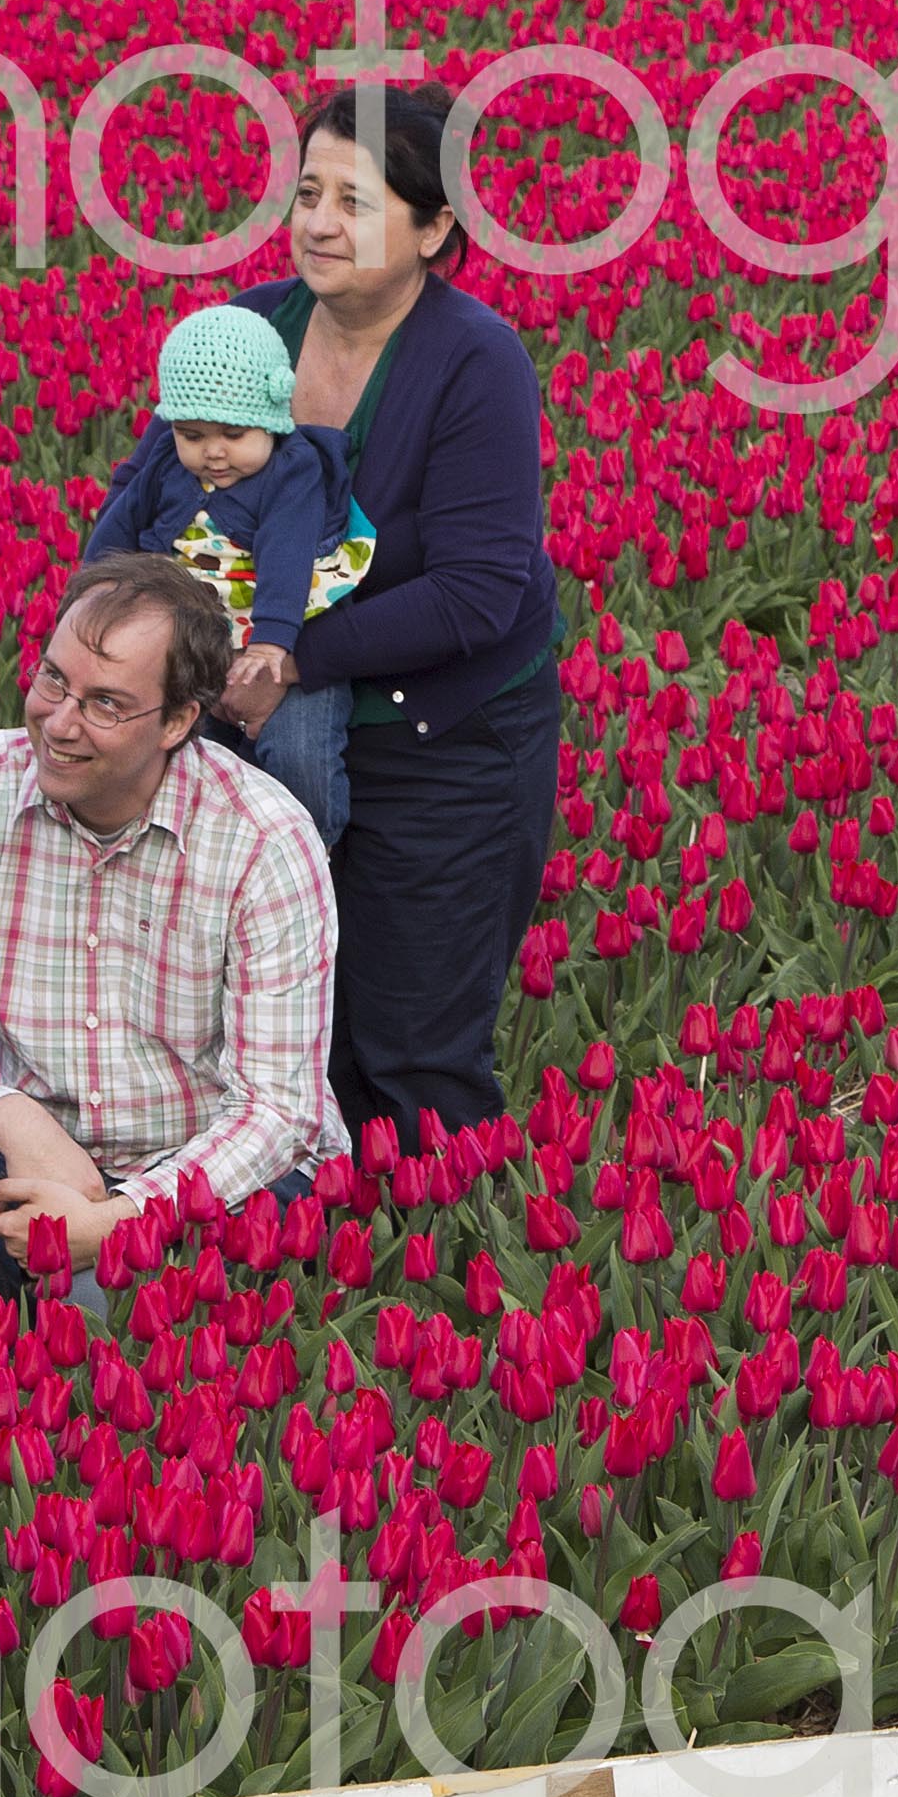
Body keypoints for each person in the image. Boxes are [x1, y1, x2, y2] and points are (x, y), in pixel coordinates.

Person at [0, 554, 348, 1303]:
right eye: (53, 681)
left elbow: (278, 1114)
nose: (59, 723)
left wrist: (117, 1220)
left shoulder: (262, 840)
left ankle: (53, 1345)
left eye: (104, 704)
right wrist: (12, 1120)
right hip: (35, 1161)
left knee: (100, 1294)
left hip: (219, 1182)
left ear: (176, 721)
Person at [219, 85, 567, 1146]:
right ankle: (322, 1241)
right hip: (265, 727)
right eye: (308, 191)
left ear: (433, 230)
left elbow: (477, 594)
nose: (319, 221)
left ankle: (437, 1267)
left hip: (444, 737)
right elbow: (166, 485)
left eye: (356, 203)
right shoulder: (250, 332)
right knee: (286, 1030)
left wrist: (287, 652)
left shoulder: (475, 363)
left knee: (410, 1043)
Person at [82, 302, 361, 842]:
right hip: (197, 635)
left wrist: (271, 644)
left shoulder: (292, 468)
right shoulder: (166, 460)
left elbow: (287, 554)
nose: (212, 452)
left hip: (285, 626)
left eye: (233, 435)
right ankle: (203, 855)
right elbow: (121, 526)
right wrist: (98, 594)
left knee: (301, 755)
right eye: (192, 434)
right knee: (182, 753)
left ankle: (306, 854)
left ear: (271, 421)